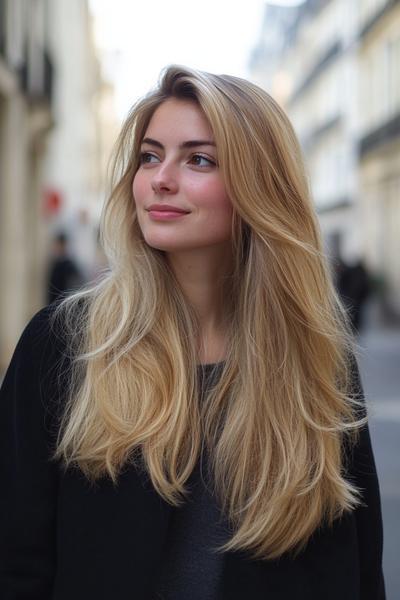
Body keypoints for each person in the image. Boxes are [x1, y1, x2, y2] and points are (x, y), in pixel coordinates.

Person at [0, 66, 385, 599]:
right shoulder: (64, 346)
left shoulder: (314, 358)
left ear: (260, 186)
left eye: (198, 159)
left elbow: (358, 567)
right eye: (150, 156)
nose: (160, 178)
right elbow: (15, 559)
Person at [47, 232, 84, 304]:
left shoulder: (69, 265)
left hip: (63, 304)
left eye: (57, 245)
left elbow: (73, 287)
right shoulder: (55, 263)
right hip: (53, 303)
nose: (55, 247)